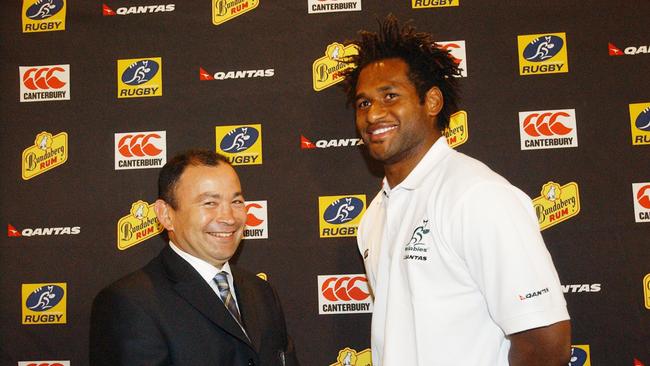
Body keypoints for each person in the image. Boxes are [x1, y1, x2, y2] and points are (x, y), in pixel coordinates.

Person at [341, 15, 571, 365]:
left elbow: (545, 342)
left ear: (431, 102)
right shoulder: (374, 216)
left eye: (390, 95)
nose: (373, 115)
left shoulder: (477, 196)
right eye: (363, 103)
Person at [90, 149, 298, 366]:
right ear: (166, 215)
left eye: (236, 202)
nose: (228, 218)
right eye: (210, 203)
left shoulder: (262, 292)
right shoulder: (130, 303)